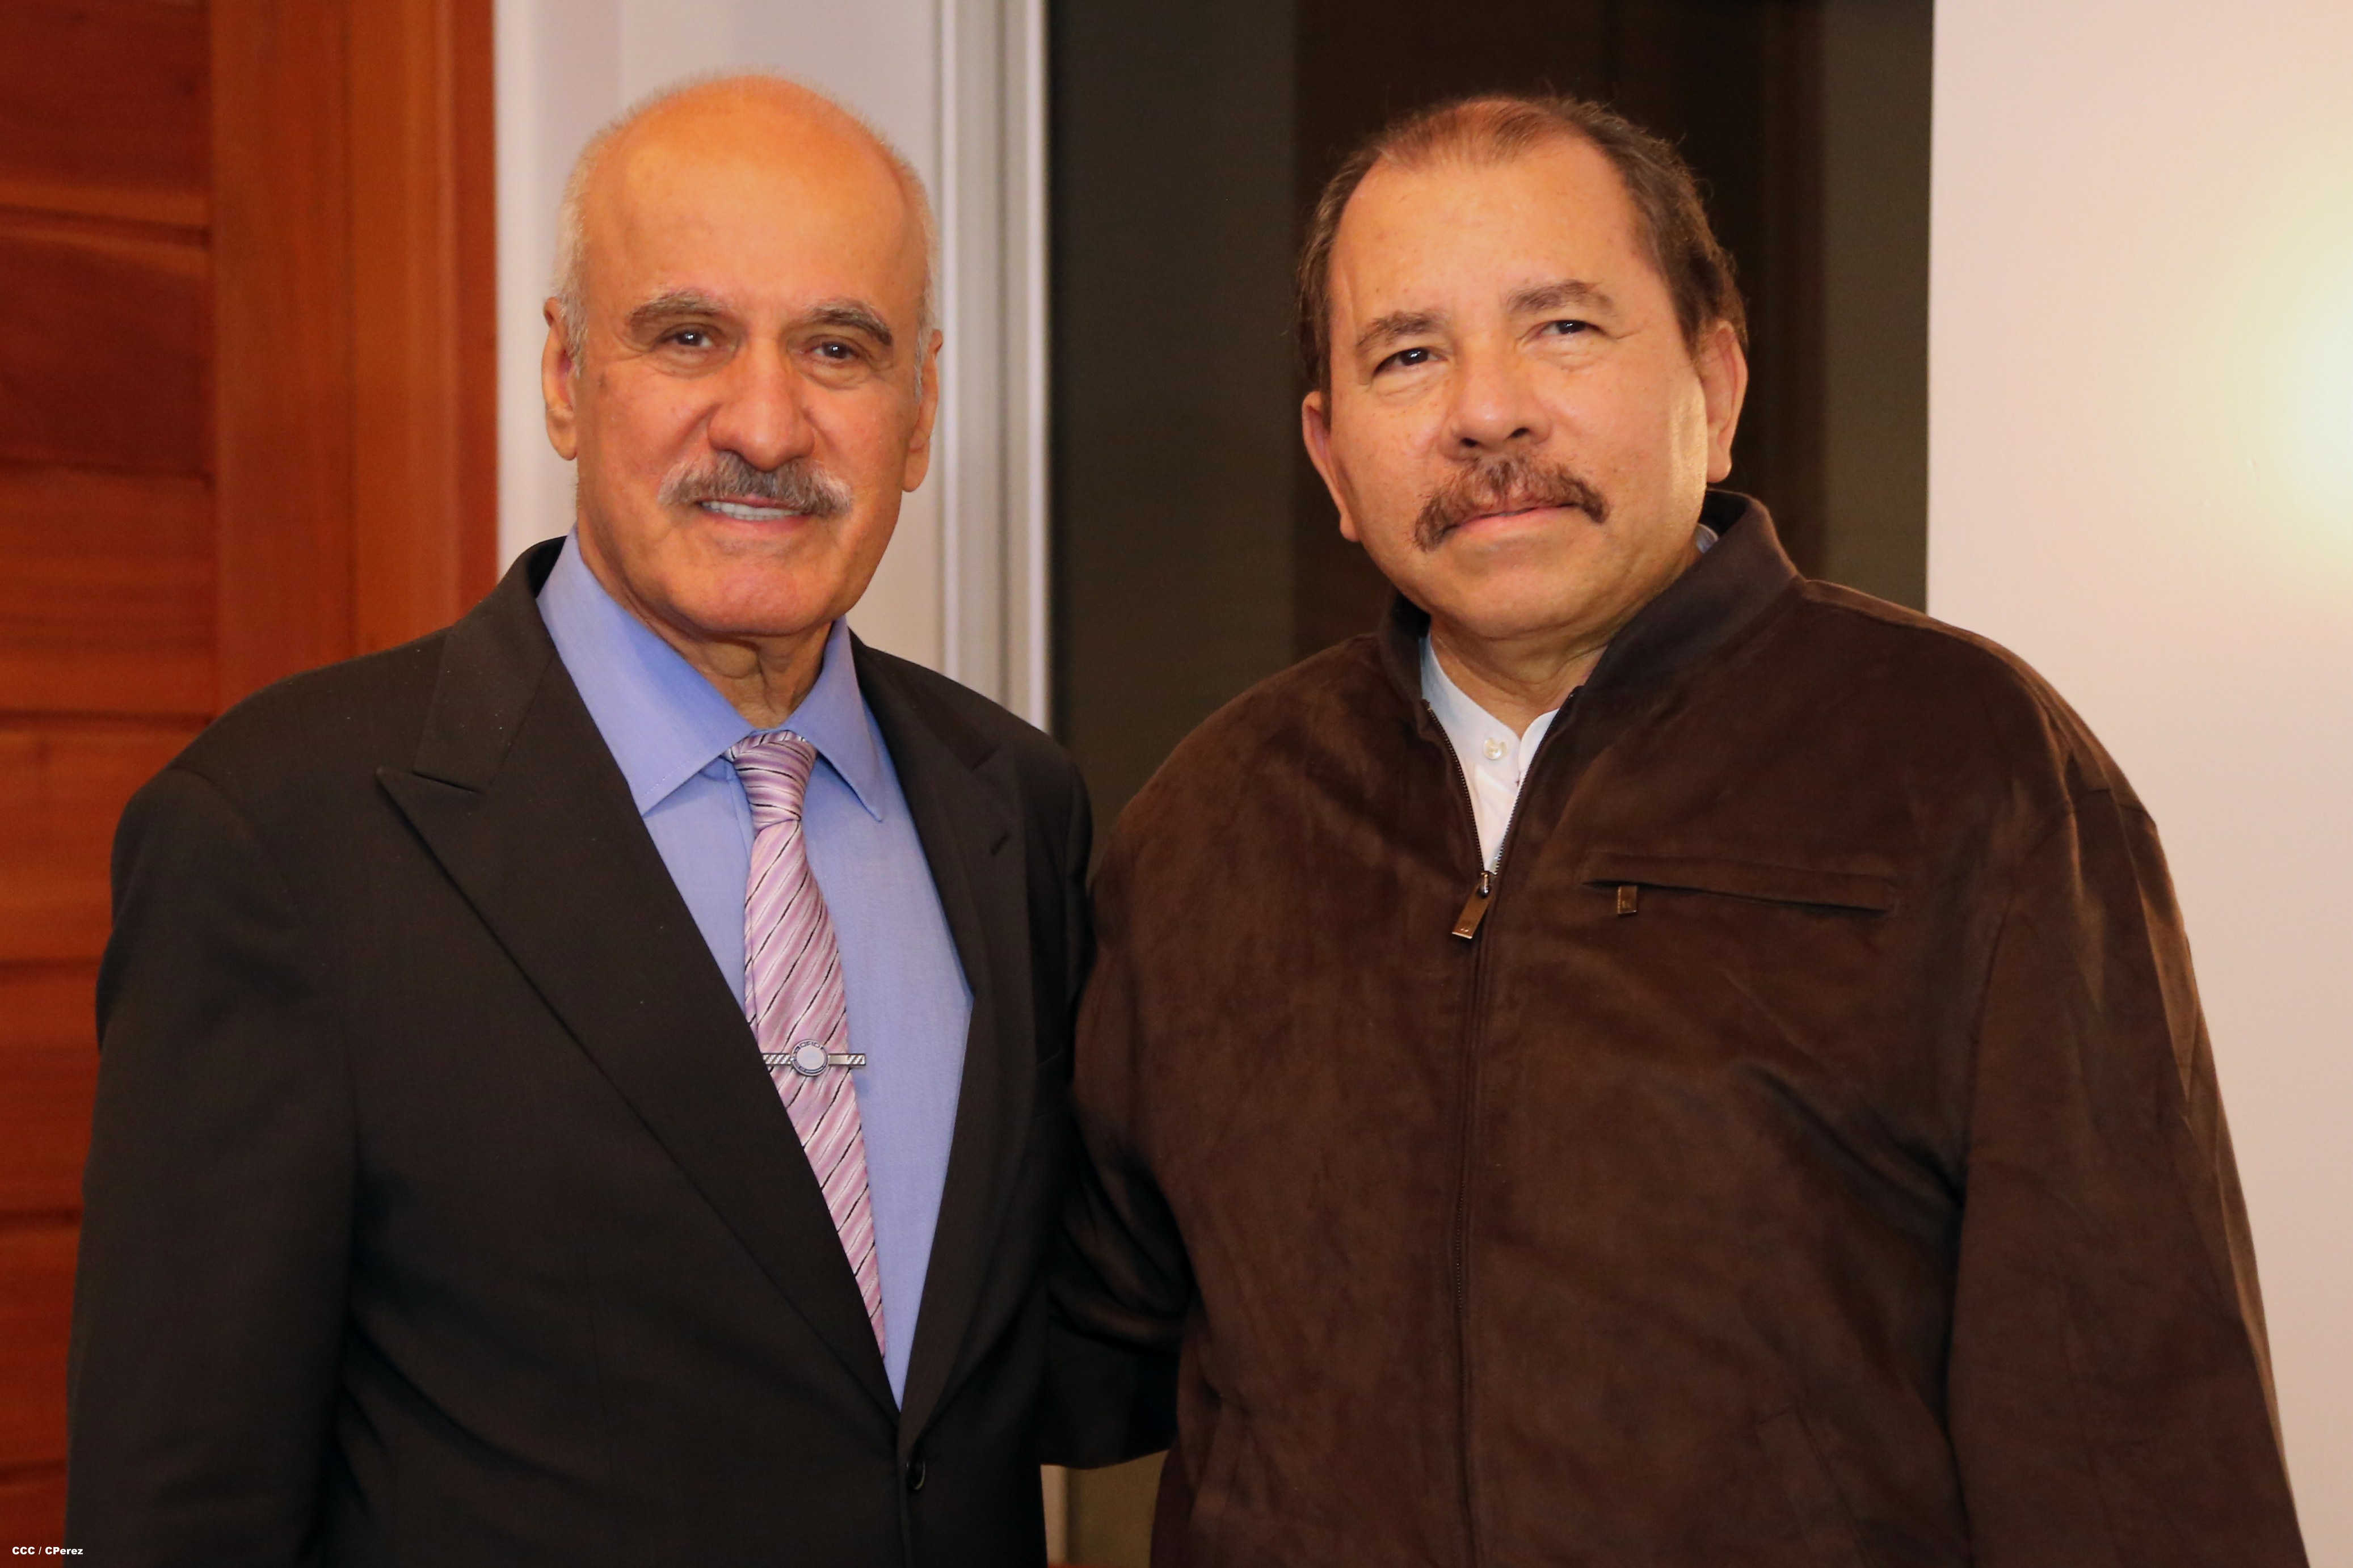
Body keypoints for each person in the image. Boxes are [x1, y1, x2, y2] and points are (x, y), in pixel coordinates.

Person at [1055, 93, 2308, 1565]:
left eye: (1563, 328)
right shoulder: (1216, 821)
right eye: (1408, 355)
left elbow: (2133, 1429)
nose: (1487, 411)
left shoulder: (1962, 767)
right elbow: (1086, 1358)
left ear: (1713, 387)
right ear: (1332, 459)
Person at [70, 75, 1116, 1564]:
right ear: (566, 376)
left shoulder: (1015, 809)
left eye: (838, 348)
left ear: (921, 410)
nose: (766, 423)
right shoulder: (281, 840)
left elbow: (1046, 1361)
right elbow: (180, 1505)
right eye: (688, 336)